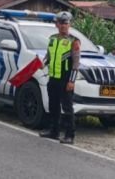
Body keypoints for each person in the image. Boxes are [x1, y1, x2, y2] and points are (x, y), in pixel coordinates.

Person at [39, 11, 81, 144]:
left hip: (66, 79)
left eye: (66, 23)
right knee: (53, 105)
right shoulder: (52, 39)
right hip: (53, 78)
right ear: (56, 24)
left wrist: (71, 81)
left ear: (69, 25)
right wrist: (43, 63)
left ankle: (69, 135)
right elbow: (49, 56)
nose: (63, 26)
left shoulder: (73, 41)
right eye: (61, 23)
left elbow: (76, 63)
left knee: (67, 108)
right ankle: (54, 131)